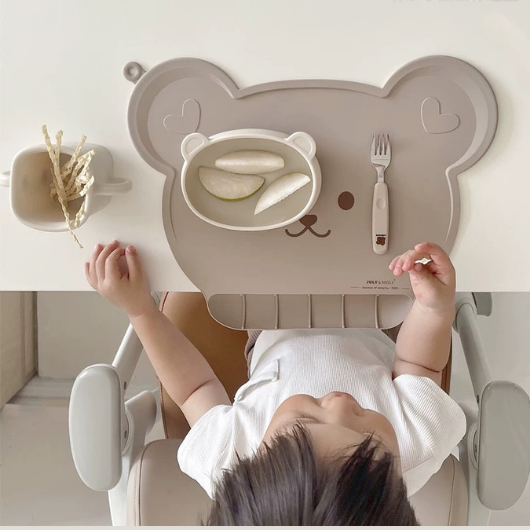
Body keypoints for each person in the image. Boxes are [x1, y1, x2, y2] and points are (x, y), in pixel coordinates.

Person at [85, 240, 466, 525]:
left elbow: (194, 389)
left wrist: (140, 310)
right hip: (373, 300)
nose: (338, 403)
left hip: (266, 307)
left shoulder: (228, 458)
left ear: (253, 461)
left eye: (307, 420)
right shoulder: (418, 443)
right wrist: (434, 308)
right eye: (368, 434)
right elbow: (418, 363)